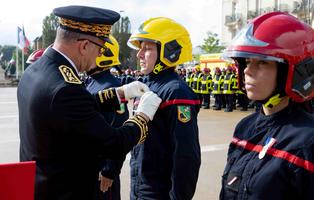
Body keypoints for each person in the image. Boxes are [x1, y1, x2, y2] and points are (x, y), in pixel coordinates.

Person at [17, 5, 162, 200]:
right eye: (100, 48)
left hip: (41, 185)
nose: (99, 56)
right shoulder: (65, 88)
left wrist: (118, 94)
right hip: (65, 192)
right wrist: (142, 116)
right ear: (84, 45)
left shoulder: (37, 70)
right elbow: (114, 143)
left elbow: (69, 110)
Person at [220, 12, 314, 200]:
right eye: (246, 61)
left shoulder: (307, 142)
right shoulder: (245, 127)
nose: (247, 70)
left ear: (294, 71)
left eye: (262, 62)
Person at [127, 17, 201, 200]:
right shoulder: (145, 85)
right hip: (139, 188)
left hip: (159, 193)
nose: (139, 55)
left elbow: (185, 156)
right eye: (140, 48)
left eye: (147, 48)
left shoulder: (176, 92)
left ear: (169, 52)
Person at [85, 35, 127, 200]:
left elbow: (119, 130)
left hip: (102, 173)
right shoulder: (92, 83)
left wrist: (110, 170)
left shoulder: (111, 87)